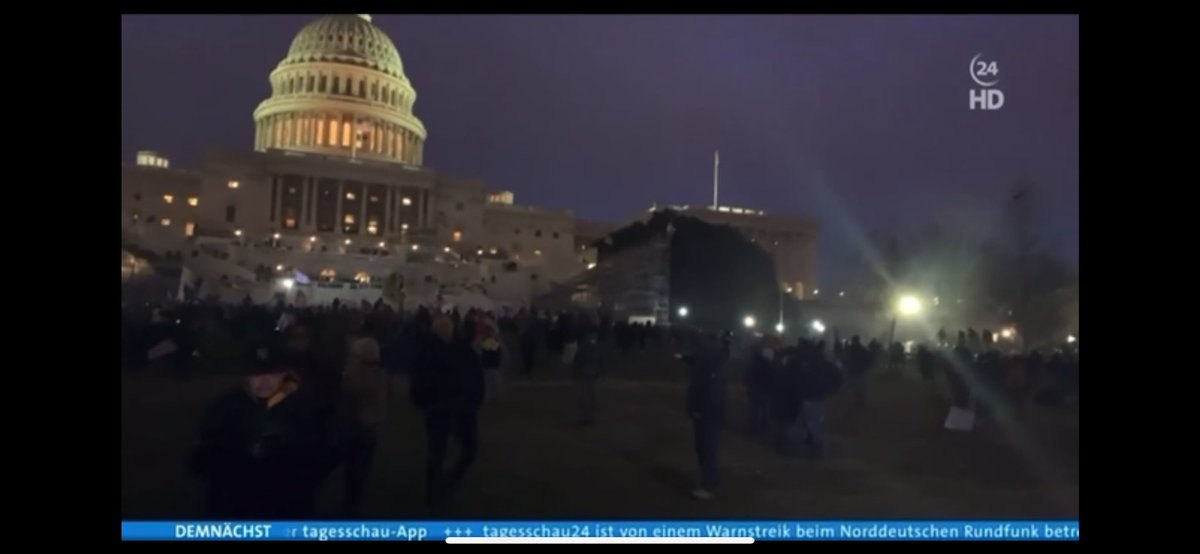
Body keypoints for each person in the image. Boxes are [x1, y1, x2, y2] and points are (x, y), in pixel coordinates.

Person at [187, 349, 331, 518]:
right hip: (233, 508)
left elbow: (322, 458)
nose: (265, 381)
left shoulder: (305, 407)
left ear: (286, 374)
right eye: (257, 374)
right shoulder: (224, 406)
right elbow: (198, 460)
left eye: (273, 374)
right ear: (245, 377)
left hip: (288, 509)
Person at [412, 316, 485, 510]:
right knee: (438, 453)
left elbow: (476, 375)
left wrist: (475, 398)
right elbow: (419, 383)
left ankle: (445, 484)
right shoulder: (429, 352)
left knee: (467, 450)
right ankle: (435, 493)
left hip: (461, 408)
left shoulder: (461, 350)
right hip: (442, 410)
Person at [338, 318, 387, 516]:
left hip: (359, 424)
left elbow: (352, 391)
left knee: (355, 468)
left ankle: (352, 504)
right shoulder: (378, 374)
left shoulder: (359, 376)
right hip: (370, 424)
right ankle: (354, 501)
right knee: (360, 467)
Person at [681, 333, 728, 500]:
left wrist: (699, 409)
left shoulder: (710, 370)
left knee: (707, 449)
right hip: (707, 412)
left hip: (708, 413)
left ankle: (709, 485)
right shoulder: (710, 364)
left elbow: (710, 392)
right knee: (703, 448)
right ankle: (708, 482)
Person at [744, 336, 777, 437]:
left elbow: (747, 375)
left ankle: (754, 428)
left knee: (754, 409)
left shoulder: (753, 363)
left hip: (754, 388)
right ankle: (764, 426)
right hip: (764, 389)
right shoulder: (769, 365)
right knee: (764, 408)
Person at [573, 323, 603, 425]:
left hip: (589, 375)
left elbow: (577, 361)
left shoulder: (588, 348)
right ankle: (587, 417)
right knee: (587, 398)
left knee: (589, 398)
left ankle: (587, 417)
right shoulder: (591, 348)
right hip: (587, 375)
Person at [844, 336, 871, 409]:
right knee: (861, 387)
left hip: (851, 370)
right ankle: (862, 402)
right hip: (860, 371)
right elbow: (868, 360)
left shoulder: (849, 349)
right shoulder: (863, 349)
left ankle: (854, 402)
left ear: (853, 341)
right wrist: (866, 368)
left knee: (851, 387)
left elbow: (845, 359)